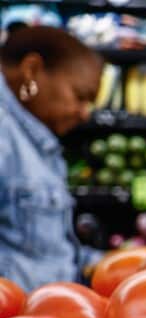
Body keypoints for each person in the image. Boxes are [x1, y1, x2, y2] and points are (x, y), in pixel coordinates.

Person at [0, 24, 103, 291]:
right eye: (80, 97)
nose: (84, 113)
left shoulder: (37, 141)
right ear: (32, 71)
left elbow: (51, 252)